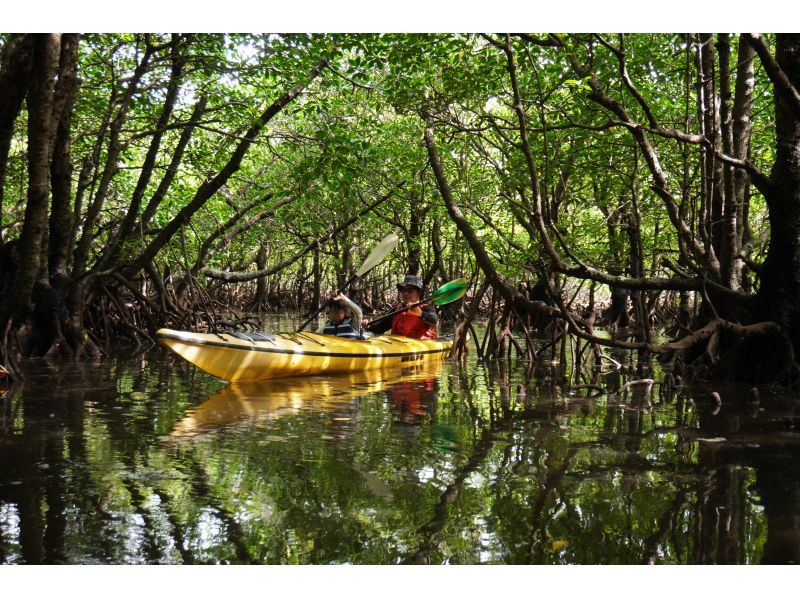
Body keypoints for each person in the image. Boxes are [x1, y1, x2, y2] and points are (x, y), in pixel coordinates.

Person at [368, 274, 438, 339]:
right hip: (397, 345)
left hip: (420, 345)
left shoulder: (427, 308)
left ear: (419, 292)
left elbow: (434, 320)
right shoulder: (397, 309)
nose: (405, 293)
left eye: (409, 290)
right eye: (403, 290)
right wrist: (368, 326)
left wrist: (421, 314)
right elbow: (380, 328)